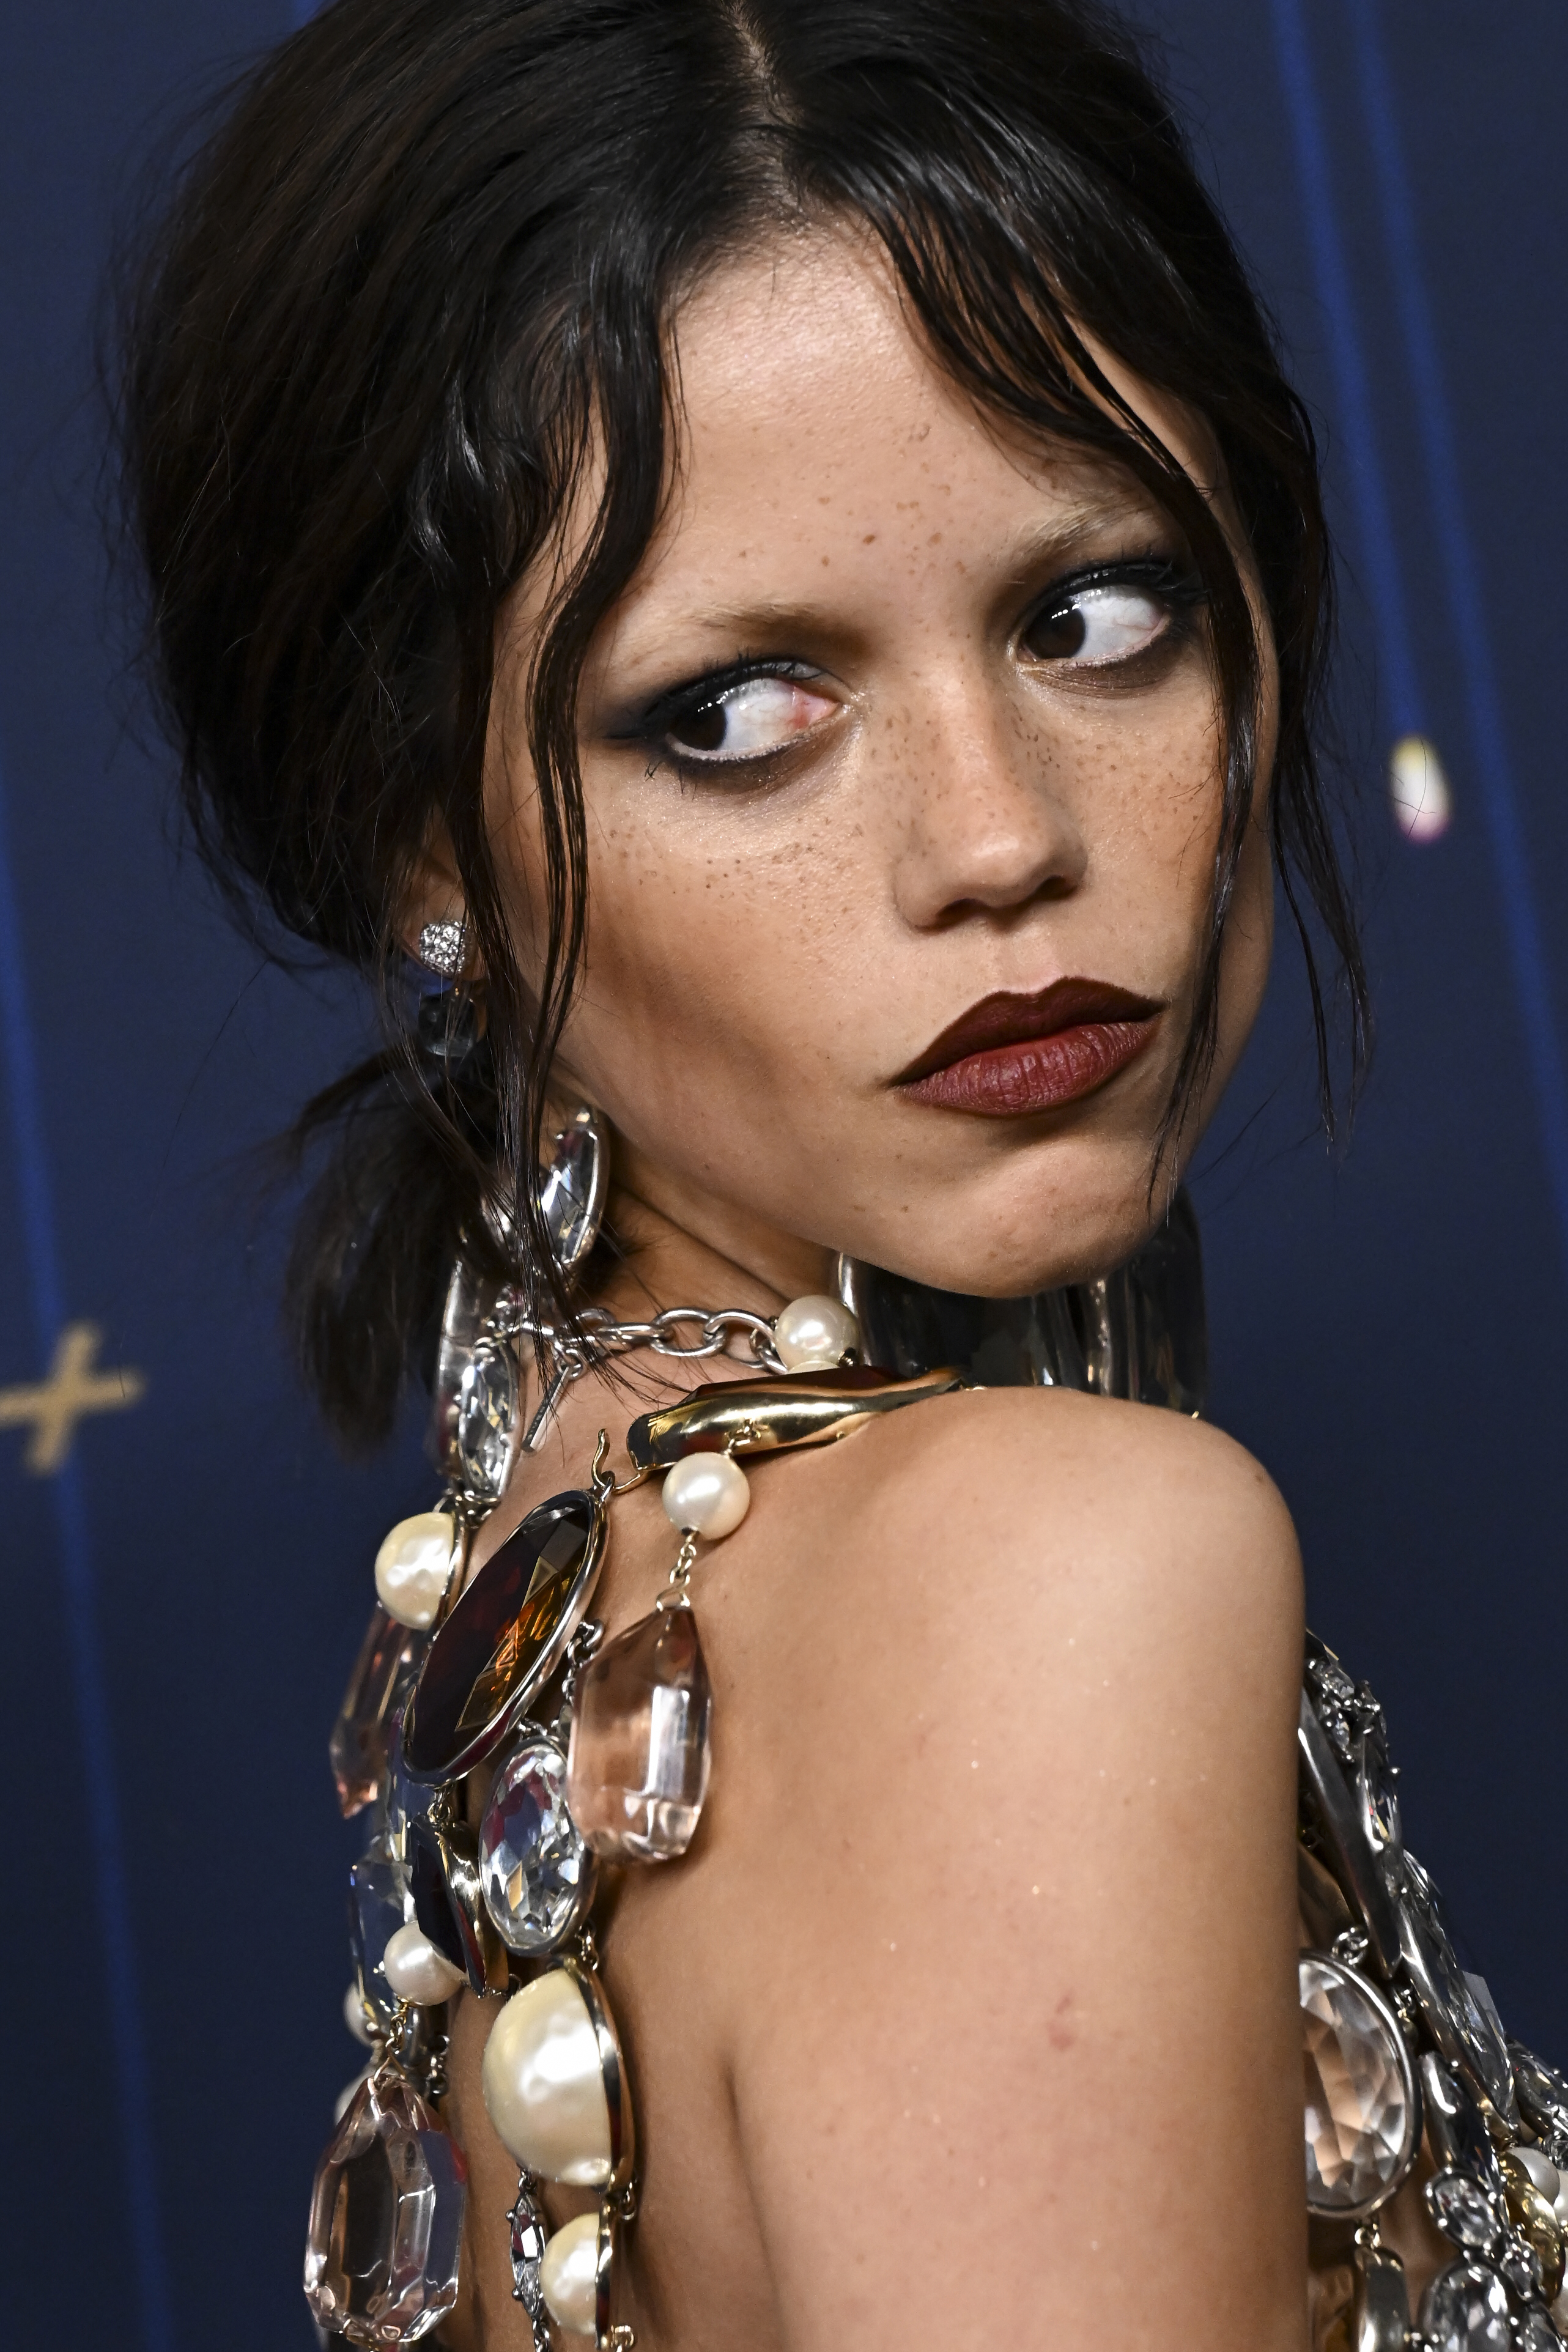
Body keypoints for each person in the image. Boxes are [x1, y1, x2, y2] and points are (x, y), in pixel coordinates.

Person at [119, 4, 1568, 2348]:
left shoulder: (586, 1551)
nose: (1003, 842)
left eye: (1096, 617)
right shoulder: (1048, 1572)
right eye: (736, 714)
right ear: (427, 844)